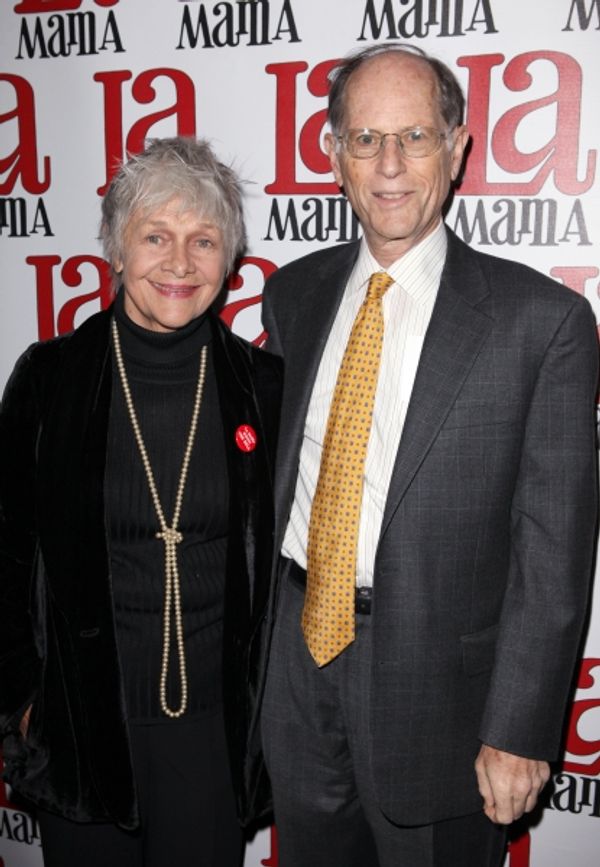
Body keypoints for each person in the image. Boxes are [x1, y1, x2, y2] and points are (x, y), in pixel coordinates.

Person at [259, 43, 598, 867]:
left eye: (414, 137)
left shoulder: (541, 322)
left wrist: (517, 729)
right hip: (295, 667)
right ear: (335, 153)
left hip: (441, 697)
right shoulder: (293, 294)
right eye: (365, 139)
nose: (389, 165)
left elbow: (553, 553)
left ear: (457, 147)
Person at [0, 136, 280, 867]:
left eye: (203, 240)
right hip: (85, 732)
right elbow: (4, 551)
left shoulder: (264, 387)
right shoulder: (49, 378)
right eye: (156, 236)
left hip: (214, 734)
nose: (180, 262)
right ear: (116, 250)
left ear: (230, 259)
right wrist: (22, 704)